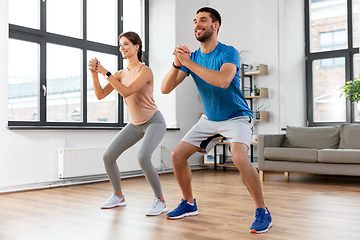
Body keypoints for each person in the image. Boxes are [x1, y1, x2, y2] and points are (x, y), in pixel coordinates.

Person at [161, 7, 272, 233]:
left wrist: (188, 62)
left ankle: (262, 211)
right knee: (177, 155)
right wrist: (177, 63)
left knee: (239, 157)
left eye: (203, 20)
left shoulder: (228, 52)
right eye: (195, 21)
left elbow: (223, 80)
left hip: (236, 117)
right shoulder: (193, 58)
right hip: (209, 119)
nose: (197, 24)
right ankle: (189, 203)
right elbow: (165, 88)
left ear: (215, 25)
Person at [89, 31, 167, 216]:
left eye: (126, 44)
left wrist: (105, 72)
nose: (122, 48)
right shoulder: (120, 74)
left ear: (136, 47)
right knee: (108, 156)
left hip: (154, 121)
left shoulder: (145, 71)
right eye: (120, 45)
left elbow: (127, 91)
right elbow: (100, 95)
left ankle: (160, 200)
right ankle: (118, 196)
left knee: (143, 157)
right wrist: (94, 73)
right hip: (135, 124)